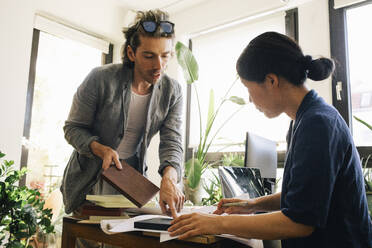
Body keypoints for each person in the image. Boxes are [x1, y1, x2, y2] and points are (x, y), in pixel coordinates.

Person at [168, 32, 372, 247]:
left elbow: (299, 222)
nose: (249, 98)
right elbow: (305, 197)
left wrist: (217, 223)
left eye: (249, 88)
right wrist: (252, 205)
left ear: (271, 80)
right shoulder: (303, 119)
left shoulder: (318, 123)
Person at [60, 9, 185, 220]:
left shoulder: (173, 91)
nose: (159, 66)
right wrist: (100, 149)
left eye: (165, 56)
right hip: (89, 180)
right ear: (131, 53)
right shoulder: (100, 79)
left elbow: (172, 140)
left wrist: (169, 179)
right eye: (149, 56)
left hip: (130, 182)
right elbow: (72, 128)